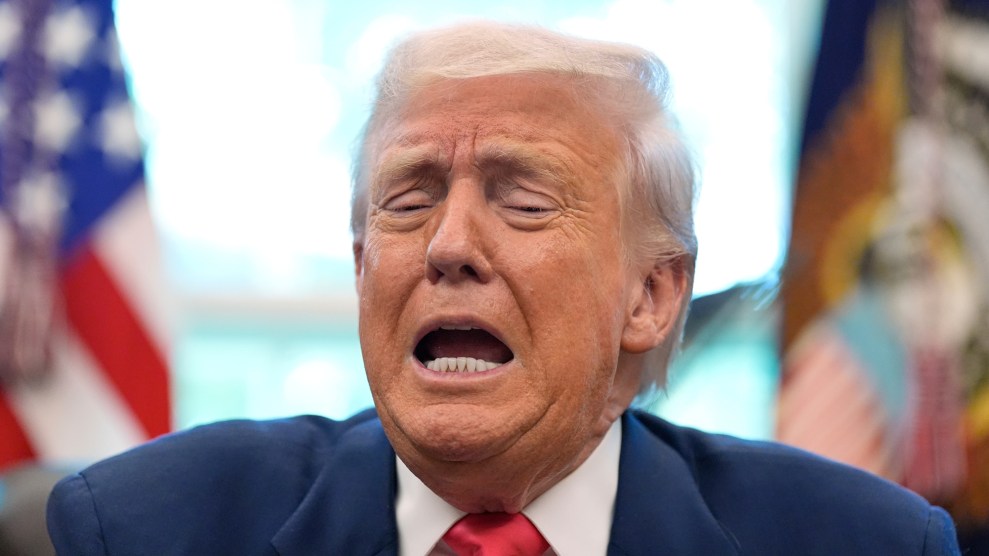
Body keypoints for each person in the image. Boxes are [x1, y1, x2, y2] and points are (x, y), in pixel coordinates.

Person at [47, 21, 960, 555]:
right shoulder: (141, 528)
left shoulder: (858, 542)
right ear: (363, 268)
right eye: (408, 202)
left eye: (522, 204)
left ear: (650, 296)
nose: (448, 246)